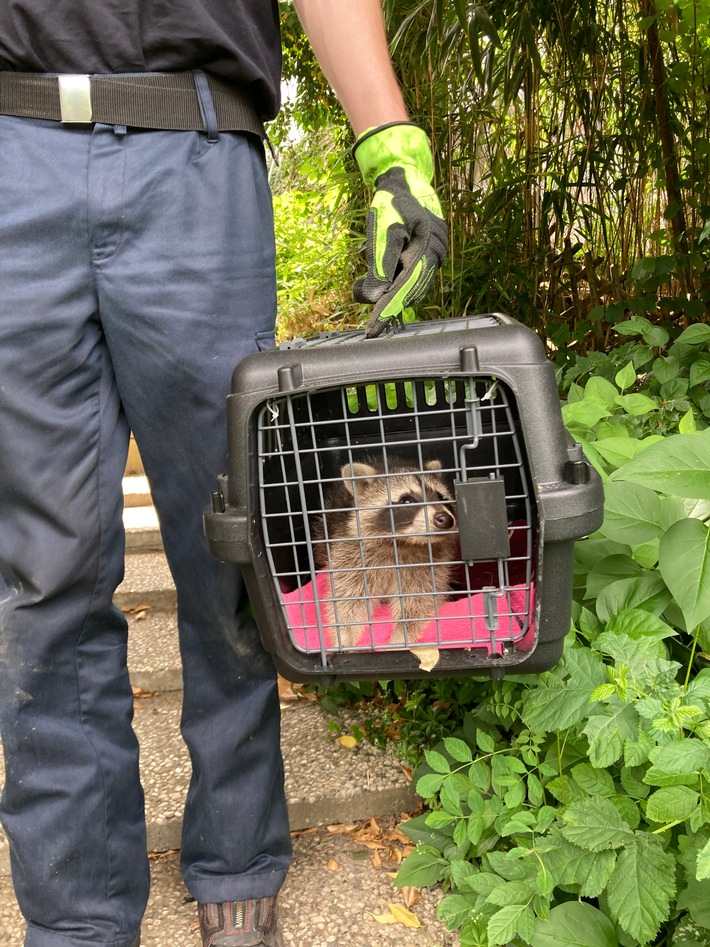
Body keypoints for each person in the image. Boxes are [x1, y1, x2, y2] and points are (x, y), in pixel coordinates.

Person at [0, 1, 446, 944]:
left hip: (197, 158)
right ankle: (77, 904)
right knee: (44, 572)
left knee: (229, 541)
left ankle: (237, 853)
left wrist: (390, 144)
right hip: (10, 148)